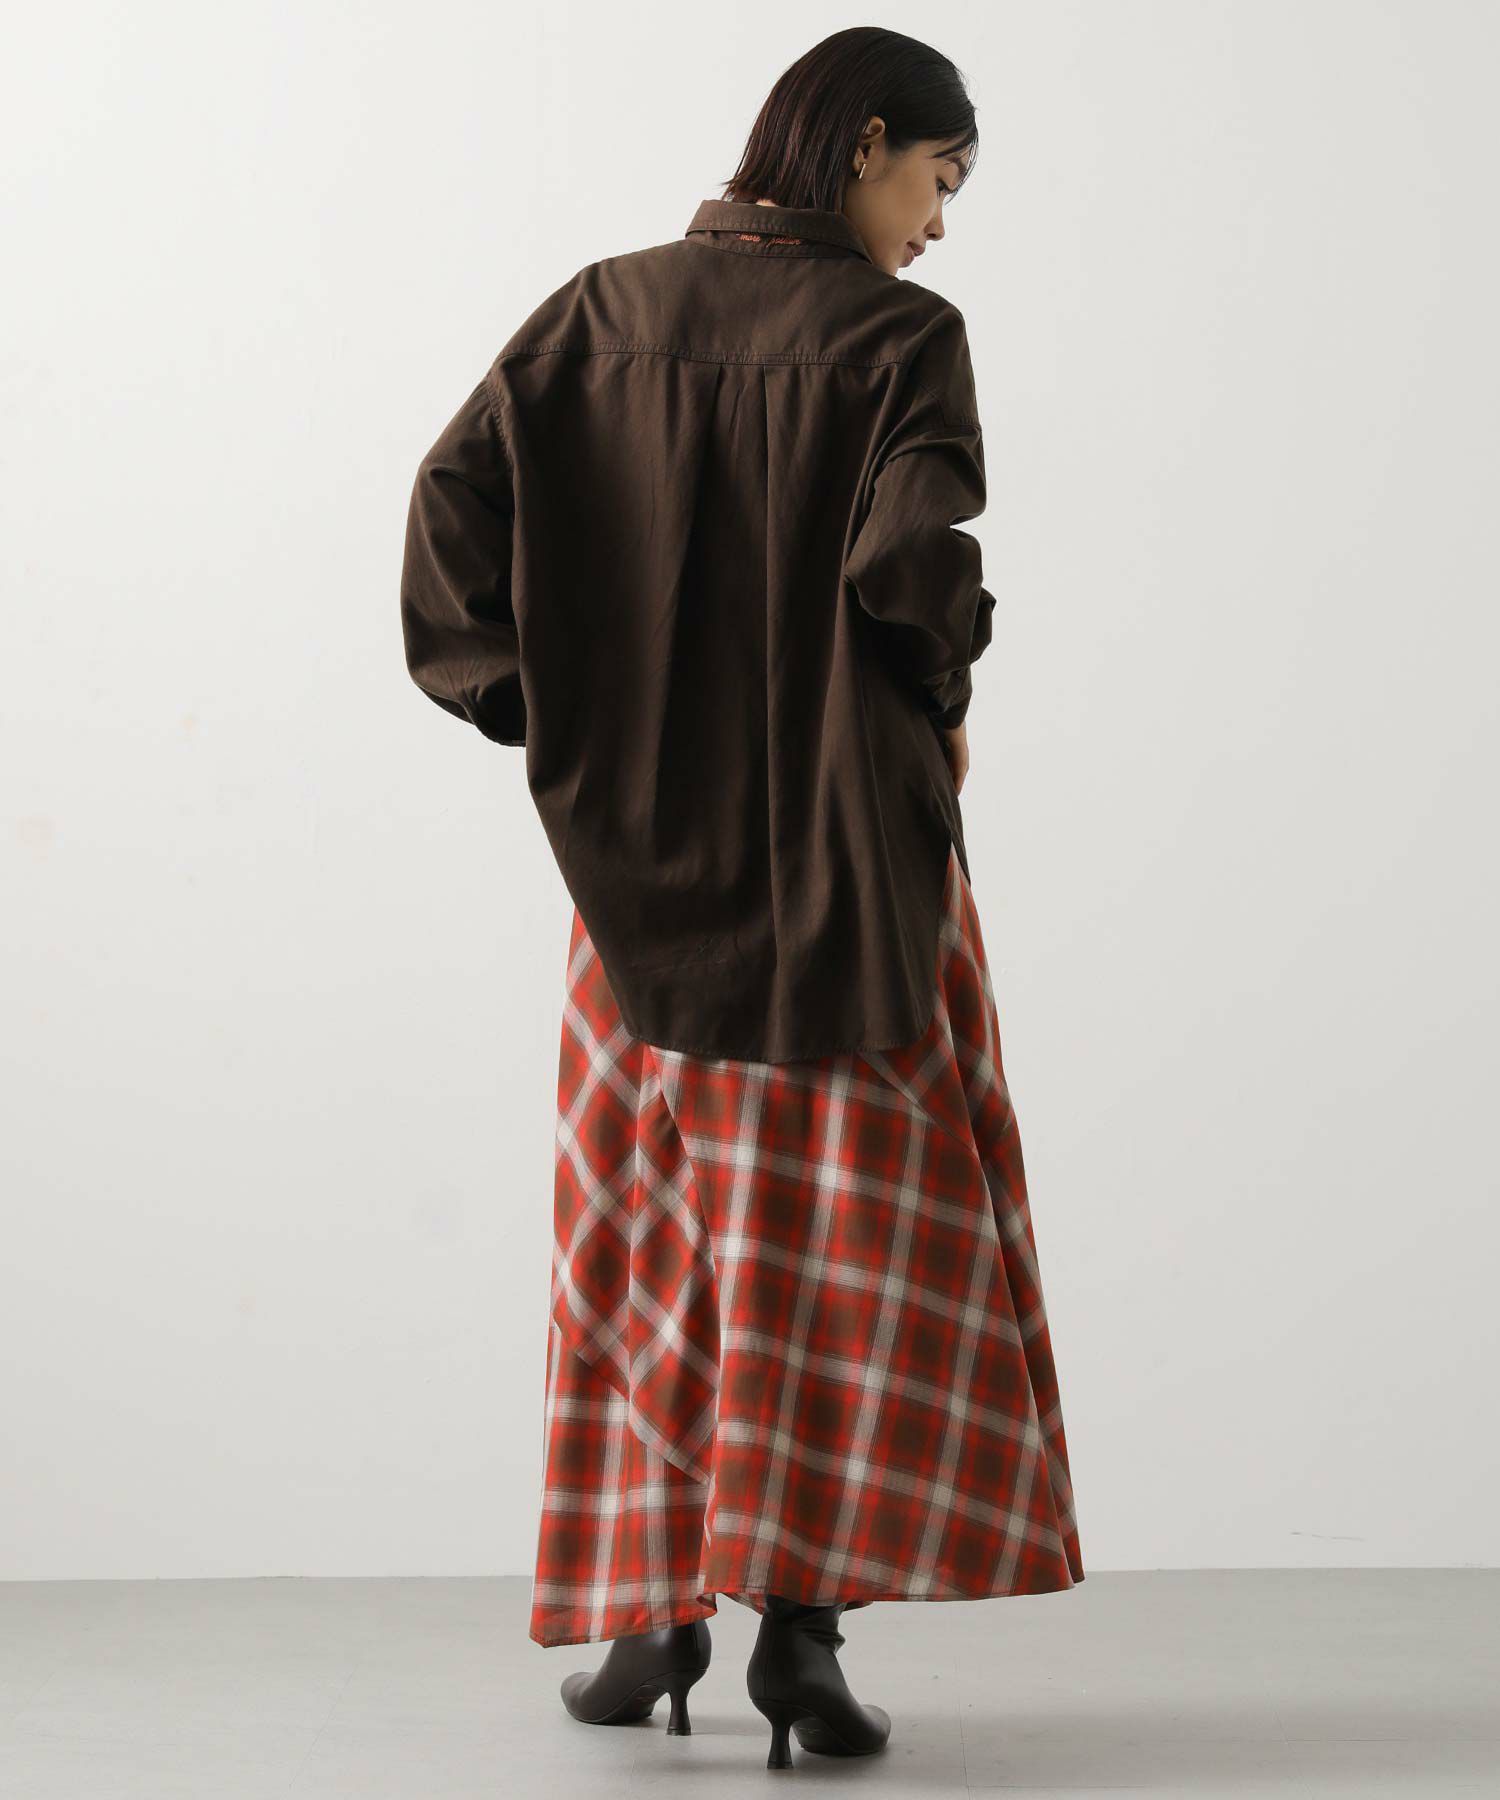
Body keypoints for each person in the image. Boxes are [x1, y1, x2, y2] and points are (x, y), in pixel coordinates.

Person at [399, 24, 1084, 1772]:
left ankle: (651, 1622)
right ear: (864, 144)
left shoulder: (596, 315)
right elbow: (909, 567)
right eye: (940, 178)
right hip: (862, 881)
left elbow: (448, 509)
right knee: (836, 1254)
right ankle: (803, 1638)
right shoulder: (903, 340)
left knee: (643, 1236)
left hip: (637, 888)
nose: (939, 222)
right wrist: (947, 680)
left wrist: (551, 715)